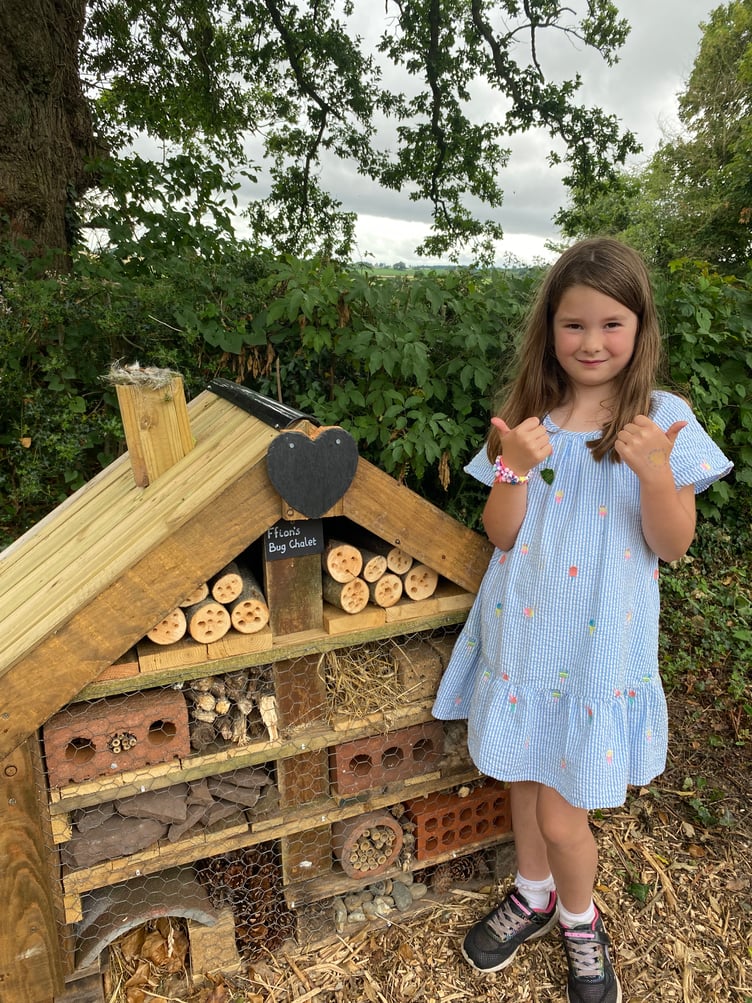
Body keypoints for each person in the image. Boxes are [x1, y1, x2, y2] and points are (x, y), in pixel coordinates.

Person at [432, 237, 732, 1003]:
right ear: (550, 328)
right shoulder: (530, 421)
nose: (592, 342)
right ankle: (533, 893)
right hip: (526, 634)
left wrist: (658, 473)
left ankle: (578, 917)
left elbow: (673, 544)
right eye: (574, 325)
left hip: (599, 648)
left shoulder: (663, 418)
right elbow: (501, 533)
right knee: (526, 784)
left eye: (611, 323)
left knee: (565, 816)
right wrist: (513, 467)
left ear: (640, 328)